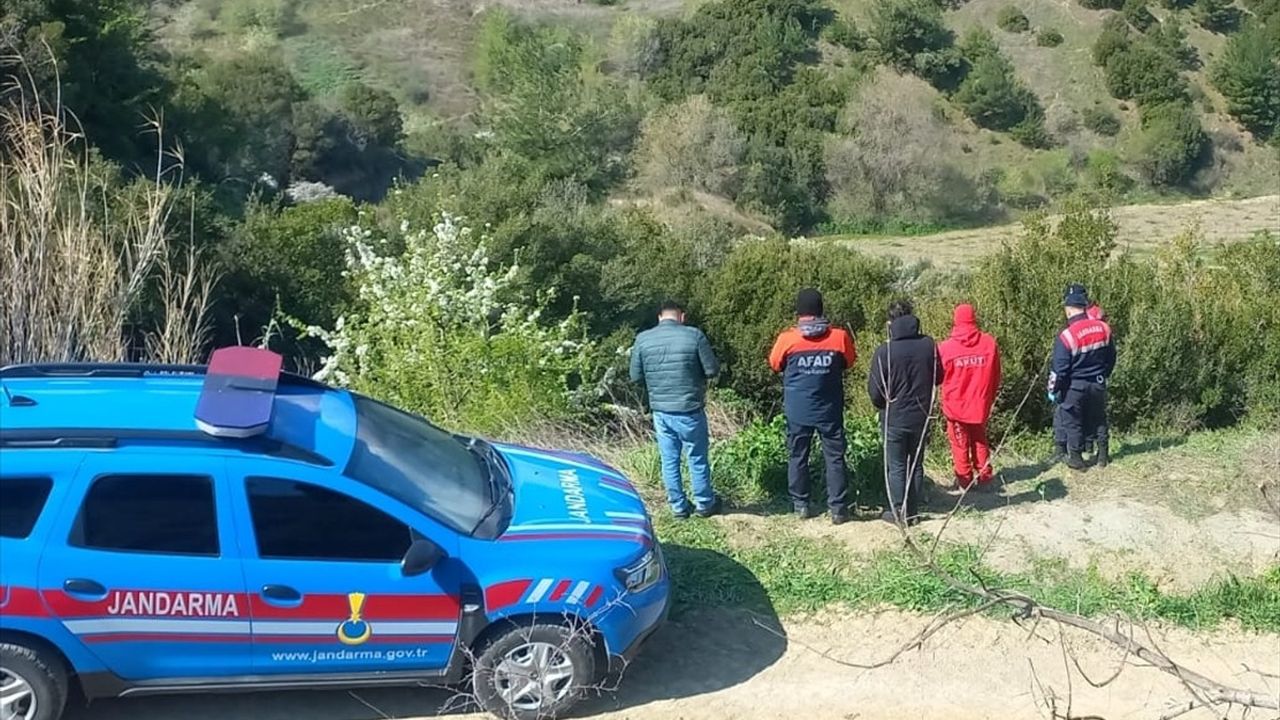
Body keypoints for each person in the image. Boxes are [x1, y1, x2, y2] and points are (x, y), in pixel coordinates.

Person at [768, 289, 857, 524]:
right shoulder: (839, 337)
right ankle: (838, 509)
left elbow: (775, 364)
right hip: (829, 408)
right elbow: (850, 361)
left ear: (799, 313)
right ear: (821, 310)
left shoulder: (787, 339)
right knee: (835, 457)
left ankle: (801, 505)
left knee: (798, 455)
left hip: (798, 410)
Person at [631, 300, 722, 518]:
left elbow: (635, 377)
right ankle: (704, 503)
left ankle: (678, 507)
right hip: (689, 407)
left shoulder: (642, 339)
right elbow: (711, 370)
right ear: (682, 316)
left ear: (660, 317)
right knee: (697, 457)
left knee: (669, 459)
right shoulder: (694, 336)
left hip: (661, 410)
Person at [868, 299, 943, 525]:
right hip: (921, 415)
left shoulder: (885, 351)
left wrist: (883, 405)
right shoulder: (928, 344)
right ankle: (913, 511)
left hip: (894, 415)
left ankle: (899, 512)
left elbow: (874, 391)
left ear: (890, 322)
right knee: (916, 464)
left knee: (897, 465)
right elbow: (939, 377)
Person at [1049, 285, 1116, 470]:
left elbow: (1059, 370)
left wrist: (1053, 390)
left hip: (1075, 386)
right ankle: (1102, 456)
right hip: (1098, 382)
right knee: (1099, 417)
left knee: (1072, 420)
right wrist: (1103, 375)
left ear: (1068, 309)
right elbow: (1111, 358)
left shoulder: (1067, 336)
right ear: (1084, 306)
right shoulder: (1104, 328)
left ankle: (1077, 459)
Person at [937, 304, 1002, 491]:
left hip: (956, 406)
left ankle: (965, 480)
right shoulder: (989, 343)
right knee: (980, 439)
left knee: (960, 444)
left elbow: (938, 377)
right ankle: (985, 477)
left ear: (955, 320)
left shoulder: (946, 348)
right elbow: (996, 374)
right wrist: (989, 396)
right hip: (980, 403)